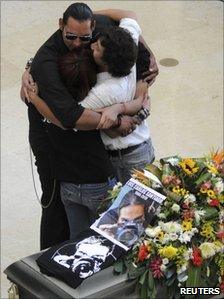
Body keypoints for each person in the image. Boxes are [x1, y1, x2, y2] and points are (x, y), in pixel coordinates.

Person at [21, 3, 158, 248]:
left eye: (90, 41)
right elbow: (130, 19)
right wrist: (128, 111)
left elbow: (70, 119)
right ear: (61, 24)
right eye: (71, 36)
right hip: (118, 149)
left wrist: (34, 96)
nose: (84, 44)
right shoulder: (118, 60)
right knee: (131, 222)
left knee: (121, 227)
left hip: (117, 158)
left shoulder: (102, 92)